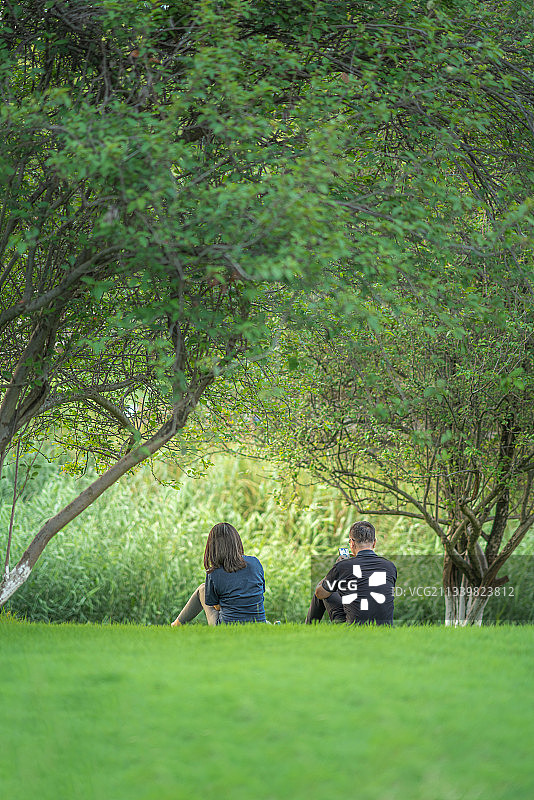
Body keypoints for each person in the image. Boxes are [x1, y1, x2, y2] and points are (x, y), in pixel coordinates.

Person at [171, 522, 266, 626]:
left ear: (213, 547)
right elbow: (260, 593)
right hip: (258, 623)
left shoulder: (214, 573)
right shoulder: (255, 563)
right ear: (237, 542)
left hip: (226, 627)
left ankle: (176, 624)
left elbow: (216, 607)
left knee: (202, 589)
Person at [305, 521, 397, 625]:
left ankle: (307, 630)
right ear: (374, 542)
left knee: (323, 591)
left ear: (352, 543)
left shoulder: (343, 566)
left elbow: (320, 593)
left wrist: (335, 570)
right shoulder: (390, 566)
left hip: (353, 630)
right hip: (385, 630)